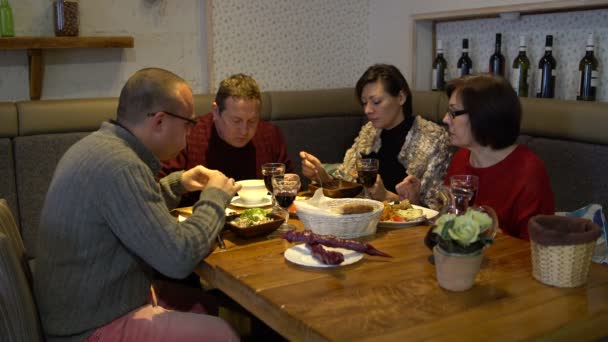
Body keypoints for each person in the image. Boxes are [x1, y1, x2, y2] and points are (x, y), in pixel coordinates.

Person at [33, 68, 240, 341]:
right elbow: (178, 258)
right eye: (189, 123)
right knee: (220, 333)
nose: (190, 132)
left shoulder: (102, 146)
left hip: (82, 306)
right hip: (88, 326)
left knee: (205, 304)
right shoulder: (121, 166)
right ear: (159, 121)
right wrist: (215, 197)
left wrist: (176, 184)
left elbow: (128, 213)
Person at [397, 74, 555, 240]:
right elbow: (449, 223)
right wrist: (415, 202)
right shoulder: (462, 158)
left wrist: (488, 234)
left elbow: (537, 249)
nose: (445, 119)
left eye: (453, 113)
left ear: (483, 115)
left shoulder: (529, 171)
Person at [300, 64, 453, 203]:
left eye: (376, 102)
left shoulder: (433, 139)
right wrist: (322, 176)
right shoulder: (369, 132)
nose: (368, 110)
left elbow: (435, 209)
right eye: (364, 103)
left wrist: (386, 196)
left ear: (401, 97)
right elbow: (347, 185)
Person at [160, 73, 294, 206]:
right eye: (236, 121)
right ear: (216, 111)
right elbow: (159, 193)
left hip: (262, 220)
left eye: (252, 121)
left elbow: (289, 182)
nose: (244, 130)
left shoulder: (269, 134)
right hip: (201, 219)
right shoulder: (188, 135)